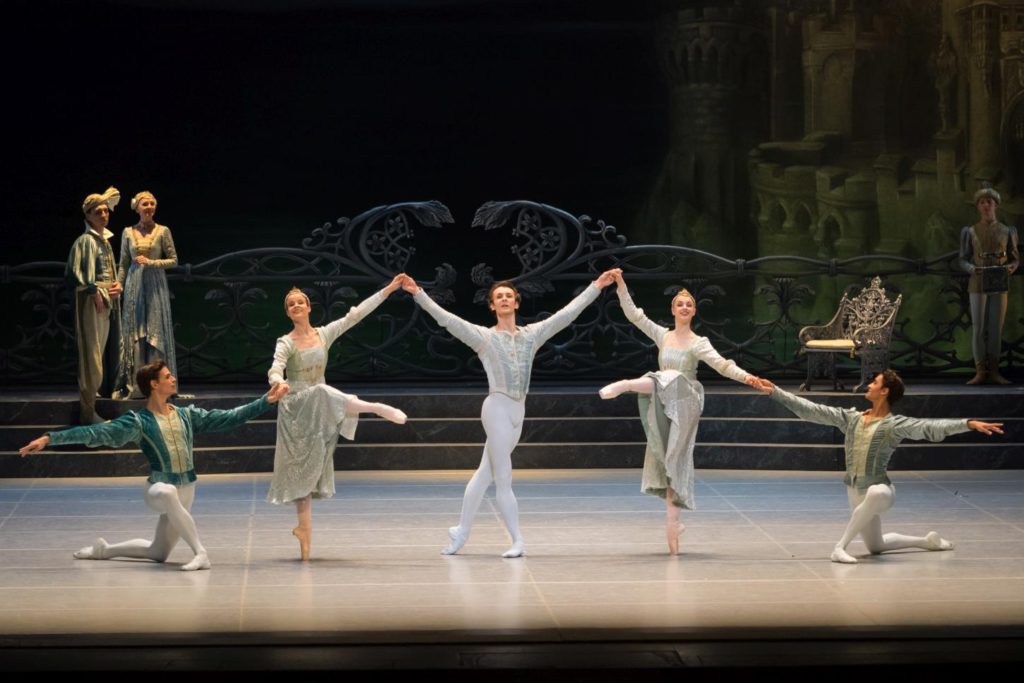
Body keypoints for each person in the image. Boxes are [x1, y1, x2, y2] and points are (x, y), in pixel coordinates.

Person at [402, 269, 619, 558]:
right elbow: (447, 319)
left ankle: (461, 532)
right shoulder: (484, 338)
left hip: (518, 411)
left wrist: (596, 286)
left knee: (483, 475)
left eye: (508, 296)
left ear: (516, 303)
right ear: (492, 306)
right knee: (503, 478)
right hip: (497, 409)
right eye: (498, 297)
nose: (504, 299)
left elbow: (567, 314)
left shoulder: (532, 335)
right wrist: (419, 294)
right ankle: (517, 540)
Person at [19, 361, 285, 570]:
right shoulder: (138, 421)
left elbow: (228, 418)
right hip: (157, 489)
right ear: (154, 384)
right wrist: (50, 438)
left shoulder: (185, 415)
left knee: (158, 552)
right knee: (168, 492)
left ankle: (103, 550)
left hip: (187, 488)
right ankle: (201, 553)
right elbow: (95, 433)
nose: (173, 379)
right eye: (168, 376)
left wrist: (265, 402)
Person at [598, 272, 767, 554]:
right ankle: (672, 523)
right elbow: (635, 316)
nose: (684, 308)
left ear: (694, 311)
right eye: (680, 304)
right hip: (663, 400)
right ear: (673, 310)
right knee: (670, 460)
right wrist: (621, 285)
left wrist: (749, 378)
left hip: (685, 398)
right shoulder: (663, 336)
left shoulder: (698, 342)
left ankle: (627, 384)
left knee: (671, 377)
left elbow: (722, 365)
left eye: (689, 304)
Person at [759, 370, 1003, 563]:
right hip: (855, 491)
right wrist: (776, 392)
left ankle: (839, 547)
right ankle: (928, 542)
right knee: (876, 546)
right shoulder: (852, 419)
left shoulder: (894, 425)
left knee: (876, 492)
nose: (868, 386)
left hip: (881, 491)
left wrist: (968, 423)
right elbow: (813, 411)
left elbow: (930, 427)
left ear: (884, 391)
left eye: (873, 383)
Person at [268, 276, 408, 561]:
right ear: (287, 312)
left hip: (321, 404)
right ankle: (374, 407)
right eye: (290, 304)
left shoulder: (324, 334)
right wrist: (277, 382)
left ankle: (304, 532)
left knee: (310, 469)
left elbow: (355, 316)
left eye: (300, 302)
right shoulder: (286, 341)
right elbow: (276, 366)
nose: (296, 306)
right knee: (299, 467)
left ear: (309, 307)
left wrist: (389, 290)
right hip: (296, 406)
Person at [114, 191, 180, 398]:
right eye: (145, 204)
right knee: (135, 332)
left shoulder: (163, 231)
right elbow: (124, 262)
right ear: (137, 208)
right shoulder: (127, 232)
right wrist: (119, 284)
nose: (149, 207)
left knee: (154, 330)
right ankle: (136, 384)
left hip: (155, 286)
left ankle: (159, 384)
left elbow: (173, 259)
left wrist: (151, 263)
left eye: (152, 204)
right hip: (134, 286)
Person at [67, 187, 124, 423]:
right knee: (91, 355)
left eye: (105, 211)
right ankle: (87, 413)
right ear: (88, 215)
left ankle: (94, 408)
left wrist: (117, 286)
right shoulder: (85, 241)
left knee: (100, 354)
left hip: (107, 301)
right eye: (98, 212)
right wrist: (92, 289)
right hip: (93, 302)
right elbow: (74, 272)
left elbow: (109, 272)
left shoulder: (105, 242)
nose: (104, 214)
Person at [959, 186, 1019, 384]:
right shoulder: (970, 231)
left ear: (996, 205)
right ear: (977, 207)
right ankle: (980, 372)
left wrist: (1010, 268)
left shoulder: (1007, 231)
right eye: (982, 202)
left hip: (999, 281)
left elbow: (1015, 259)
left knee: (995, 328)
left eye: (989, 202)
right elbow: (963, 259)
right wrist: (971, 268)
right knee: (978, 328)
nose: (986, 206)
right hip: (977, 282)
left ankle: (994, 371)